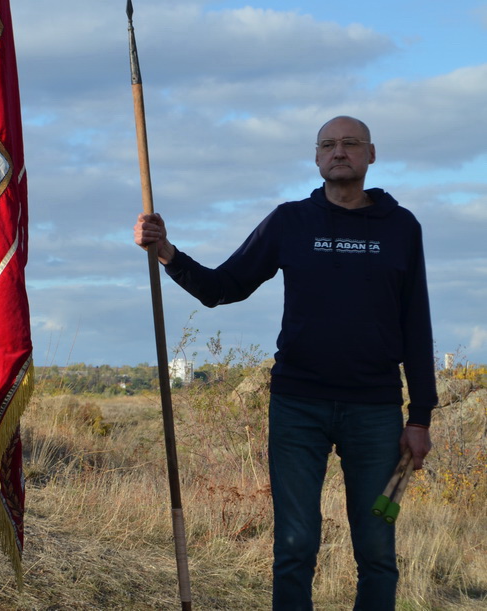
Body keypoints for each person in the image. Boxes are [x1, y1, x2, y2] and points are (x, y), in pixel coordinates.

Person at [134, 116, 436, 610]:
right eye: (329, 145)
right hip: (298, 405)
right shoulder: (289, 221)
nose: (340, 152)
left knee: (377, 549)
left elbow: (416, 324)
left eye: (351, 144)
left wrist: (420, 416)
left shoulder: (402, 228)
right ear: (316, 158)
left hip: (375, 410)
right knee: (295, 546)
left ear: (371, 154)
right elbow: (222, 288)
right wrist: (166, 251)